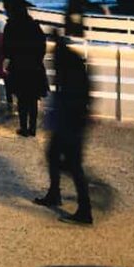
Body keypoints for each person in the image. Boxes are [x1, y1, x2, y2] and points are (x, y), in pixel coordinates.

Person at [34, 36, 93, 225]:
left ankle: (85, 211)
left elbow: (72, 97)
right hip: (72, 120)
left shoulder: (68, 69)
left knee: (73, 165)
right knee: (55, 156)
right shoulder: (74, 65)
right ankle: (55, 193)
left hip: (70, 121)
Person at [3, 4, 48, 137]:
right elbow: (42, 45)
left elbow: (6, 47)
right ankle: (32, 128)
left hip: (18, 67)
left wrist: (10, 58)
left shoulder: (10, 26)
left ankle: (23, 127)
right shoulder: (34, 26)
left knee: (21, 99)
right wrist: (38, 58)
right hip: (34, 67)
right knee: (33, 99)